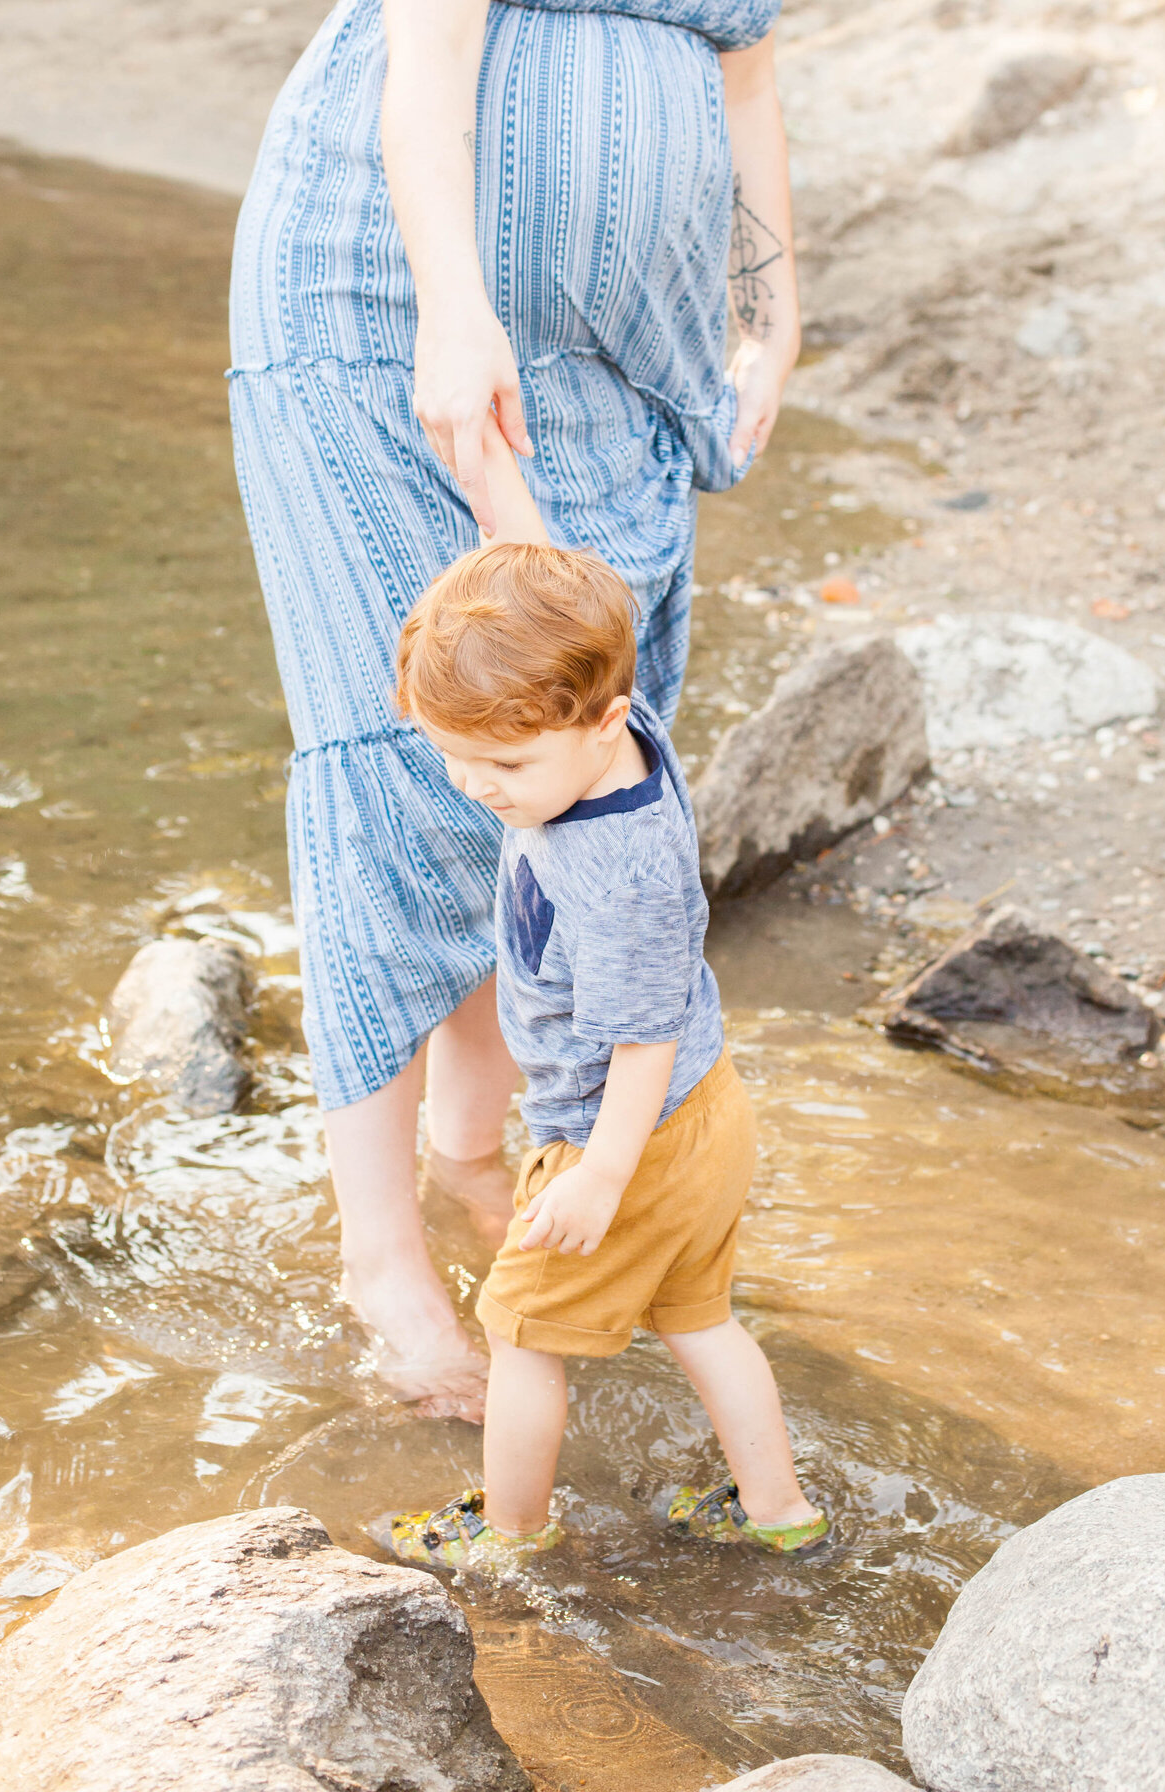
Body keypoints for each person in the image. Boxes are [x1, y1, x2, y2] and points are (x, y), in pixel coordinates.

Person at [227, 0, 847, 1416]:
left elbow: (743, 76)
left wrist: (773, 308)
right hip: (376, 305)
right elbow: (421, 67)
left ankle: (485, 1140)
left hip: (617, 363)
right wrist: (456, 322)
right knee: (408, 758)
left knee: (568, 758)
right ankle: (383, 1256)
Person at [386, 539, 828, 1566]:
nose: (476, 785)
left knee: (521, 1336)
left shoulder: (613, 874)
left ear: (600, 722)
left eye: (505, 764)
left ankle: (512, 1536)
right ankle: (778, 1515)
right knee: (700, 1320)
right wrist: (498, 488)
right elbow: (560, 612)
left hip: (628, 1132)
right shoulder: (614, 728)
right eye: (451, 754)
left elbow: (642, 1038)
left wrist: (596, 1179)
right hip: (705, 1110)